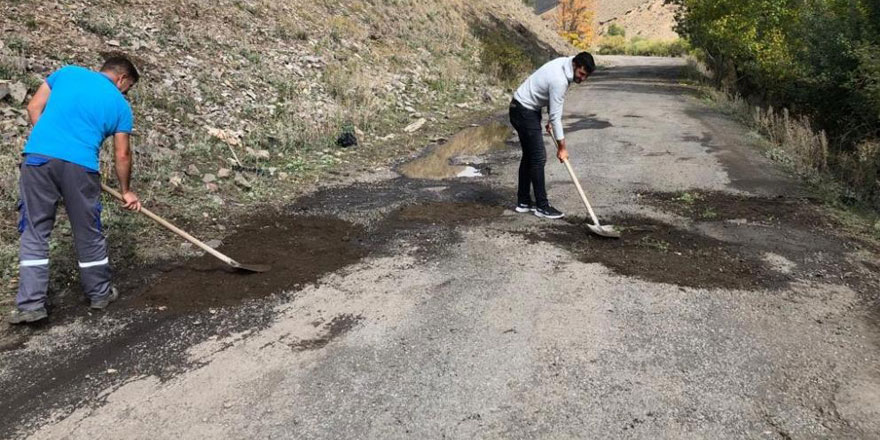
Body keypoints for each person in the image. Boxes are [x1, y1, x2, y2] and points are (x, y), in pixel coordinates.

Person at [9, 55, 142, 324]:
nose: (125, 93)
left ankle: (30, 305)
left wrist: (52, 144)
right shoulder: (119, 104)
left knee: (34, 230)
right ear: (122, 79)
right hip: (80, 167)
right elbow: (122, 154)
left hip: (37, 159)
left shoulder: (66, 73)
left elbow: (34, 107)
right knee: (87, 230)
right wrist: (126, 190)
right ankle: (100, 294)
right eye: (128, 88)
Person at [509, 51, 596, 219]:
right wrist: (562, 147)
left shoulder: (566, 65)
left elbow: (551, 102)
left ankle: (523, 202)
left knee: (529, 156)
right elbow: (556, 118)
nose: (582, 78)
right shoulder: (560, 80)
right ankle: (542, 206)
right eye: (581, 74)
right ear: (575, 65)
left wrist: (550, 117)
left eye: (586, 76)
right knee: (538, 157)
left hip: (525, 108)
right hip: (523, 111)